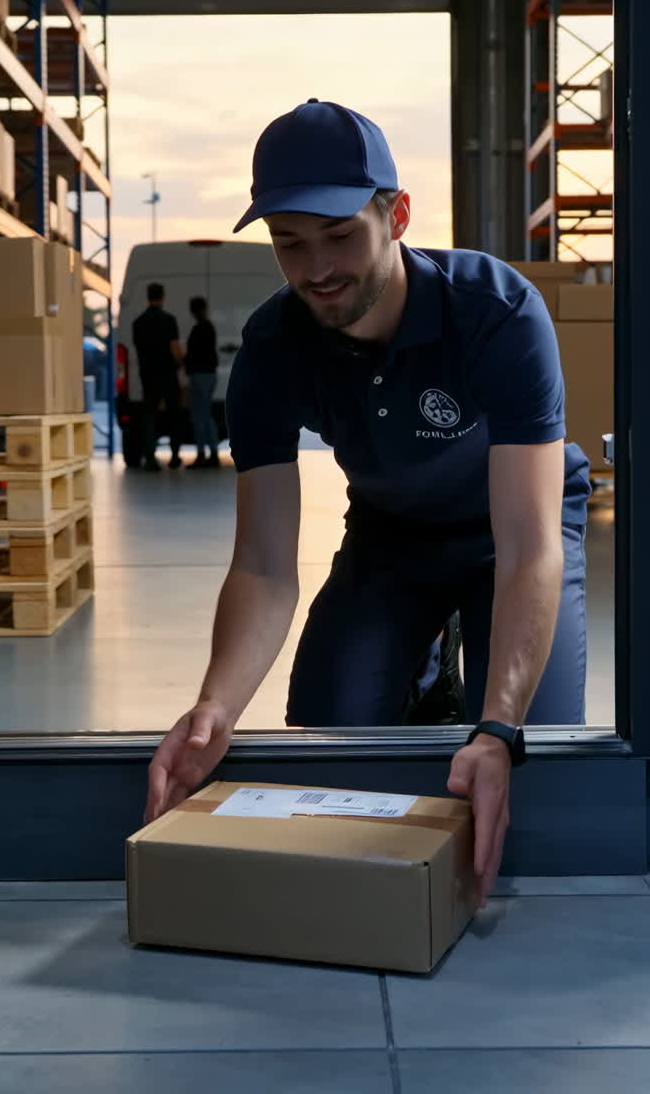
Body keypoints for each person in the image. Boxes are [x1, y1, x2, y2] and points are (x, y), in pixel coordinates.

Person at [146, 99, 591, 905]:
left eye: (340, 235)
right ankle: (423, 672)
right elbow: (263, 563)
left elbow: (530, 548)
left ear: (398, 215)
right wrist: (215, 705)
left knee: (537, 758)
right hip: (392, 535)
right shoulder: (276, 352)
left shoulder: (497, 315)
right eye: (290, 244)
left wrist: (496, 727)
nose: (316, 268)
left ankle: (468, 681)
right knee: (327, 732)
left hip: (512, 533)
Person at [132, 282, 184, 470]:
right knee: (173, 416)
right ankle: (175, 456)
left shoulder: (138, 323)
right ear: (162, 297)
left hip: (148, 376)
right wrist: (180, 366)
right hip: (168, 375)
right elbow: (175, 349)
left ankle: (150, 458)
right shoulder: (168, 320)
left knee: (149, 417)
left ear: (148, 296)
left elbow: (138, 351)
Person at [186, 296, 220, 469]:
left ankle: (202, 454)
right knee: (207, 414)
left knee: (200, 416)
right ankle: (212, 453)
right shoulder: (209, 327)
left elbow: (194, 355)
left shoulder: (199, 328)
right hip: (209, 375)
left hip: (200, 376)